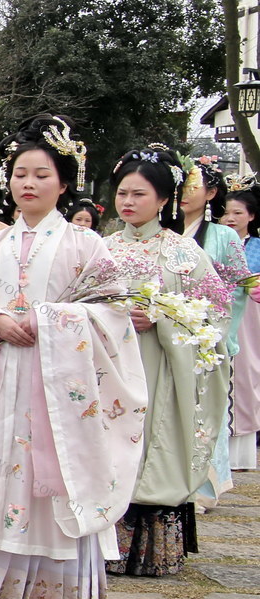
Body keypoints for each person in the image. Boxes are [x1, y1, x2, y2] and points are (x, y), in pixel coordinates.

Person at [0, 114, 147, 599]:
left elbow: (111, 313)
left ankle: (51, 592)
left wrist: (49, 321)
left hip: (57, 388)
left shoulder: (87, 245)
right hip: (0, 382)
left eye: (42, 175)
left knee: (52, 471)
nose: (28, 183)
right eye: (20, 173)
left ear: (64, 183)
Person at [103, 146, 230, 576]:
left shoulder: (184, 254)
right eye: (123, 193)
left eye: (139, 194)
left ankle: (148, 548)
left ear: (163, 200)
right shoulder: (100, 250)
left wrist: (163, 322)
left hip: (160, 366)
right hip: (108, 367)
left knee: (150, 445)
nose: (128, 202)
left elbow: (216, 318)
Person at [181, 156, 248, 509]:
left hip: (208, 334)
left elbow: (237, 287)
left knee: (206, 407)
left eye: (194, 187)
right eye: (183, 187)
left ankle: (205, 486)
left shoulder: (223, 236)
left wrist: (212, 325)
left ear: (211, 193)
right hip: (170, 331)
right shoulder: (170, 232)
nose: (186, 195)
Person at [222, 177, 260, 470]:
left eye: (238, 212)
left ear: (251, 215)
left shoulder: (257, 246)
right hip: (221, 314)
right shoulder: (217, 241)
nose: (231, 218)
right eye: (227, 212)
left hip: (251, 319)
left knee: (247, 379)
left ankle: (243, 452)